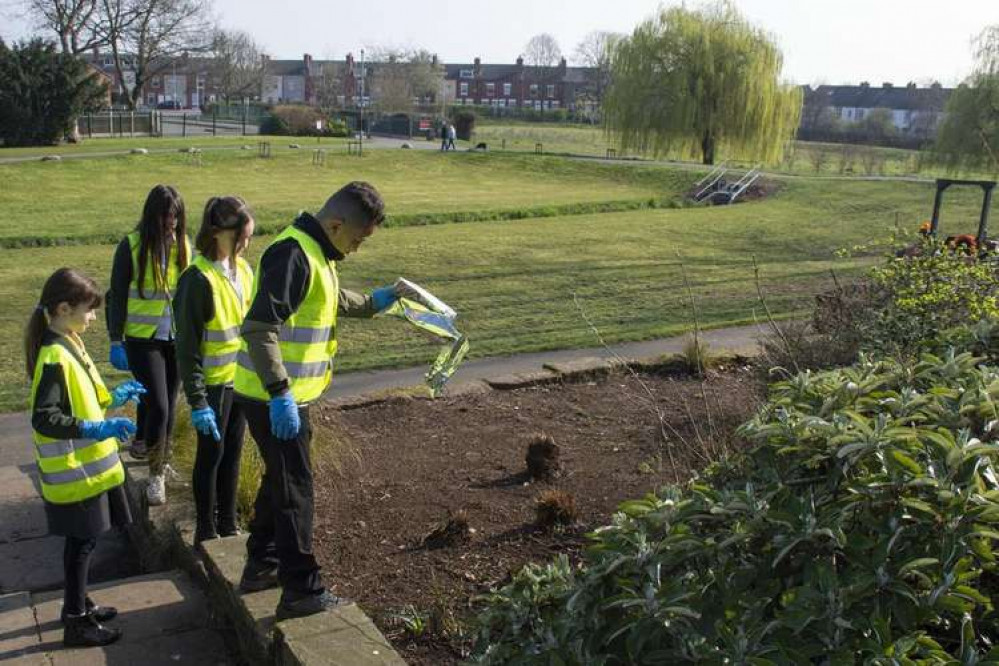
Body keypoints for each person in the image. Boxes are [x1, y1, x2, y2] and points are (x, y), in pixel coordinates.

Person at [233, 181, 406, 620]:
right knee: (296, 490)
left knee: (280, 480)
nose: (358, 248)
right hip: (272, 396)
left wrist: (372, 302)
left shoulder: (317, 252)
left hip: (282, 396)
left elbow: (324, 300)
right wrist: (280, 395)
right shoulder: (292, 254)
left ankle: (261, 564)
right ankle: (301, 592)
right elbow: (258, 328)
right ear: (335, 223)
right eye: (358, 238)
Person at [25, 268, 144, 647]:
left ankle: (78, 604)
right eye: (88, 309)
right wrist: (97, 430)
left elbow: (84, 397)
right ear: (63, 308)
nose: (93, 316)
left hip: (89, 472)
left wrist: (114, 397)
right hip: (75, 474)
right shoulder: (54, 356)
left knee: (84, 544)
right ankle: (76, 621)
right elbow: (46, 417)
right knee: (82, 545)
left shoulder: (69, 341)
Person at [173, 196, 255, 544]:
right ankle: (206, 530)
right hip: (212, 388)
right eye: (243, 236)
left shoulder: (246, 271)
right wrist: (197, 400)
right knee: (211, 456)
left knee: (233, 454)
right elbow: (187, 347)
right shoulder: (197, 280)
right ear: (220, 233)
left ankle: (228, 523)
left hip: (240, 383)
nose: (247, 243)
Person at [107, 185, 191, 506]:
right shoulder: (130, 246)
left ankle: (160, 459)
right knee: (158, 404)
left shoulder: (184, 245)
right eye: (166, 215)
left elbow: (187, 292)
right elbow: (115, 296)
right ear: (152, 215)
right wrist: (116, 340)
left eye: (176, 216)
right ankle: (155, 476)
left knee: (169, 402)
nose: (171, 222)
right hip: (142, 340)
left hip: (175, 338)